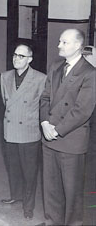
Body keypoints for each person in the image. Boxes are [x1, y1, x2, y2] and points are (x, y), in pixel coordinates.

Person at [40, 29, 96, 226]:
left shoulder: (90, 74)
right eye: (59, 41)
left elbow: (82, 110)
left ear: (78, 46)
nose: (59, 46)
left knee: (72, 193)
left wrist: (56, 130)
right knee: (51, 188)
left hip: (70, 140)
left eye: (64, 42)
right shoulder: (55, 66)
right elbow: (45, 97)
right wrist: (45, 122)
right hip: (49, 136)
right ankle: (52, 222)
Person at [0, 44, 46, 220]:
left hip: (28, 132)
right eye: (15, 55)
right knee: (13, 168)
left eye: (21, 56)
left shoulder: (40, 79)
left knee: (29, 172)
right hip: (10, 130)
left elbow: (43, 106)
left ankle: (29, 206)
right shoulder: (5, 76)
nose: (16, 58)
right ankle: (15, 196)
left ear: (30, 59)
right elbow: (7, 103)